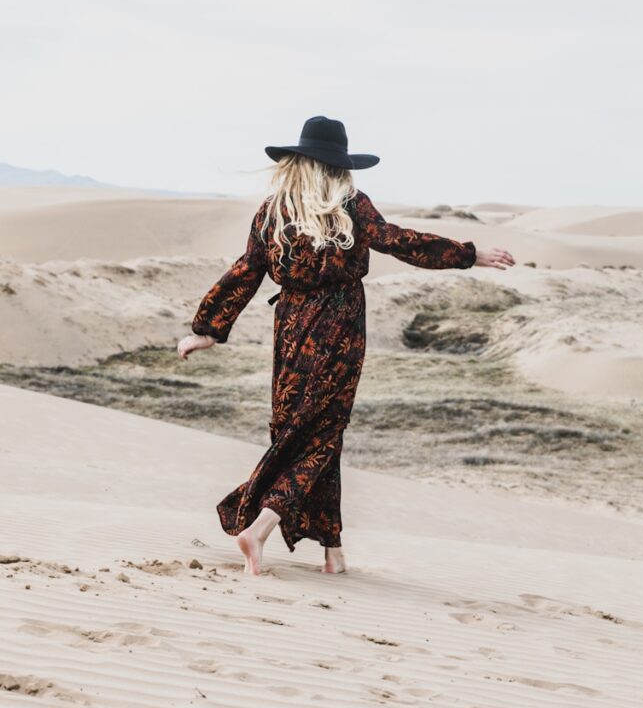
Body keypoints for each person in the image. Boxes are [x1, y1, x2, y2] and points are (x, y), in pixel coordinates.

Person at [177, 116, 515, 575]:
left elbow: (246, 271)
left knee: (298, 429)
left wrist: (208, 329)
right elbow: (398, 241)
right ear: (339, 167)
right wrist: (468, 255)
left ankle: (333, 552)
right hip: (340, 325)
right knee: (322, 433)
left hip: (292, 327)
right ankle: (258, 527)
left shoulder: (273, 211)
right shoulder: (352, 205)